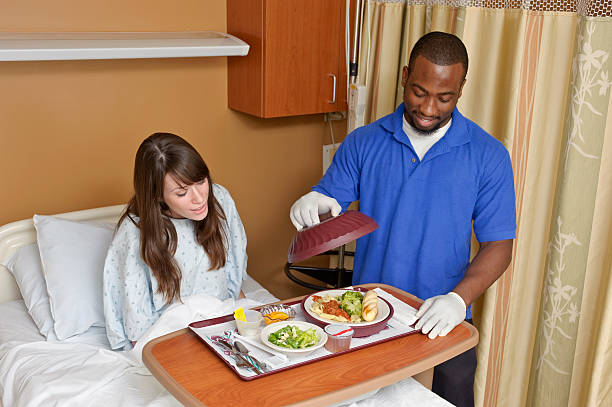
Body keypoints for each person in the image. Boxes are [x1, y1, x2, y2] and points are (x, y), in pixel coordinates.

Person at [289, 32, 516, 406]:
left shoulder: (488, 155)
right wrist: (314, 201)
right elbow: (330, 203)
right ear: (405, 76)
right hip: (367, 317)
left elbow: (499, 247)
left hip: (444, 320)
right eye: (419, 92)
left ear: (461, 89)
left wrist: (458, 301)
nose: (428, 107)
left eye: (445, 98)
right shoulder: (363, 142)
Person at [103, 132, 247, 350]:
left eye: (201, 181)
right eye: (182, 193)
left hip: (222, 321)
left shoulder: (220, 200)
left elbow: (235, 275)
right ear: (158, 196)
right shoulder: (135, 233)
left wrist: (247, 322)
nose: (199, 198)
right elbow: (136, 321)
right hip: (168, 336)